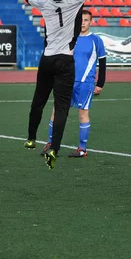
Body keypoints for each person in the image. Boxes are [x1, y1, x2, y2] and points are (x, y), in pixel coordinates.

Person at [23, 0, 98, 169]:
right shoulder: (74, 0)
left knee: (39, 100)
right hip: (65, 59)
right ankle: (54, 149)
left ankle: (31, 137)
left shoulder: (44, 3)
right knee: (62, 106)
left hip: (47, 58)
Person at [42, 9, 107, 158]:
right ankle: (51, 144)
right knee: (56, 112)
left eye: (86, 20)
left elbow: (102, 63)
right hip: (65, 82)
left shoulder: (96, 40)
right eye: (81, 20)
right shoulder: (68, 38)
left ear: (91, 22)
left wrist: (100, 84)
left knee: (83, 114)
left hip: (85, 83)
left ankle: (82, 149)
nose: (83, 23)